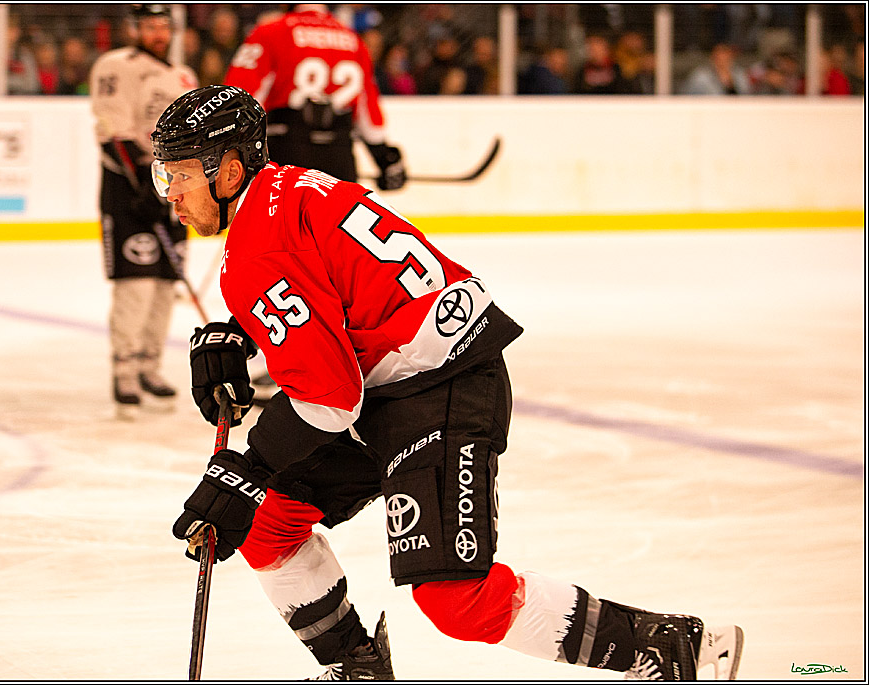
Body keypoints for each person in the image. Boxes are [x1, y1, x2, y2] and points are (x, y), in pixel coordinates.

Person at [153, 85, 746, 680]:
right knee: (268, 520)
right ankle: (358, 669)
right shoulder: (292, 189)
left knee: (456, 600)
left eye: (179, 176)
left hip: (442, 385)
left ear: (229, 171)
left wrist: (245, 470)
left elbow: (330, 397)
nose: (171, 197)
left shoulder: (260, 243)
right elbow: (331, 290)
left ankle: (675, 648)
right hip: (400, 374)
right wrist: (242, 331)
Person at [88, 3, 198, 419]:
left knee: (165, 284)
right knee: (135, 284)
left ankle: (149, 365)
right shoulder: (117, 65)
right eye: (149, 25)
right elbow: (112, 134)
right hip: (128, 191)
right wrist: (143, 186)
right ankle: (125, 370)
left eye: (162, 25)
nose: (157, 32)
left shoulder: (182, 76)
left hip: (175, 191)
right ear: (134, 27)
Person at [223, 3, 406, 193]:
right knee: (337, 220)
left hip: (286, 151)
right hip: (339, 155)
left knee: (282, 221)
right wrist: (384, 158)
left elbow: (238, 100)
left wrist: (227, 152)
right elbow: (369, 118)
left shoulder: (270, 32)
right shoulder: (352, 38)